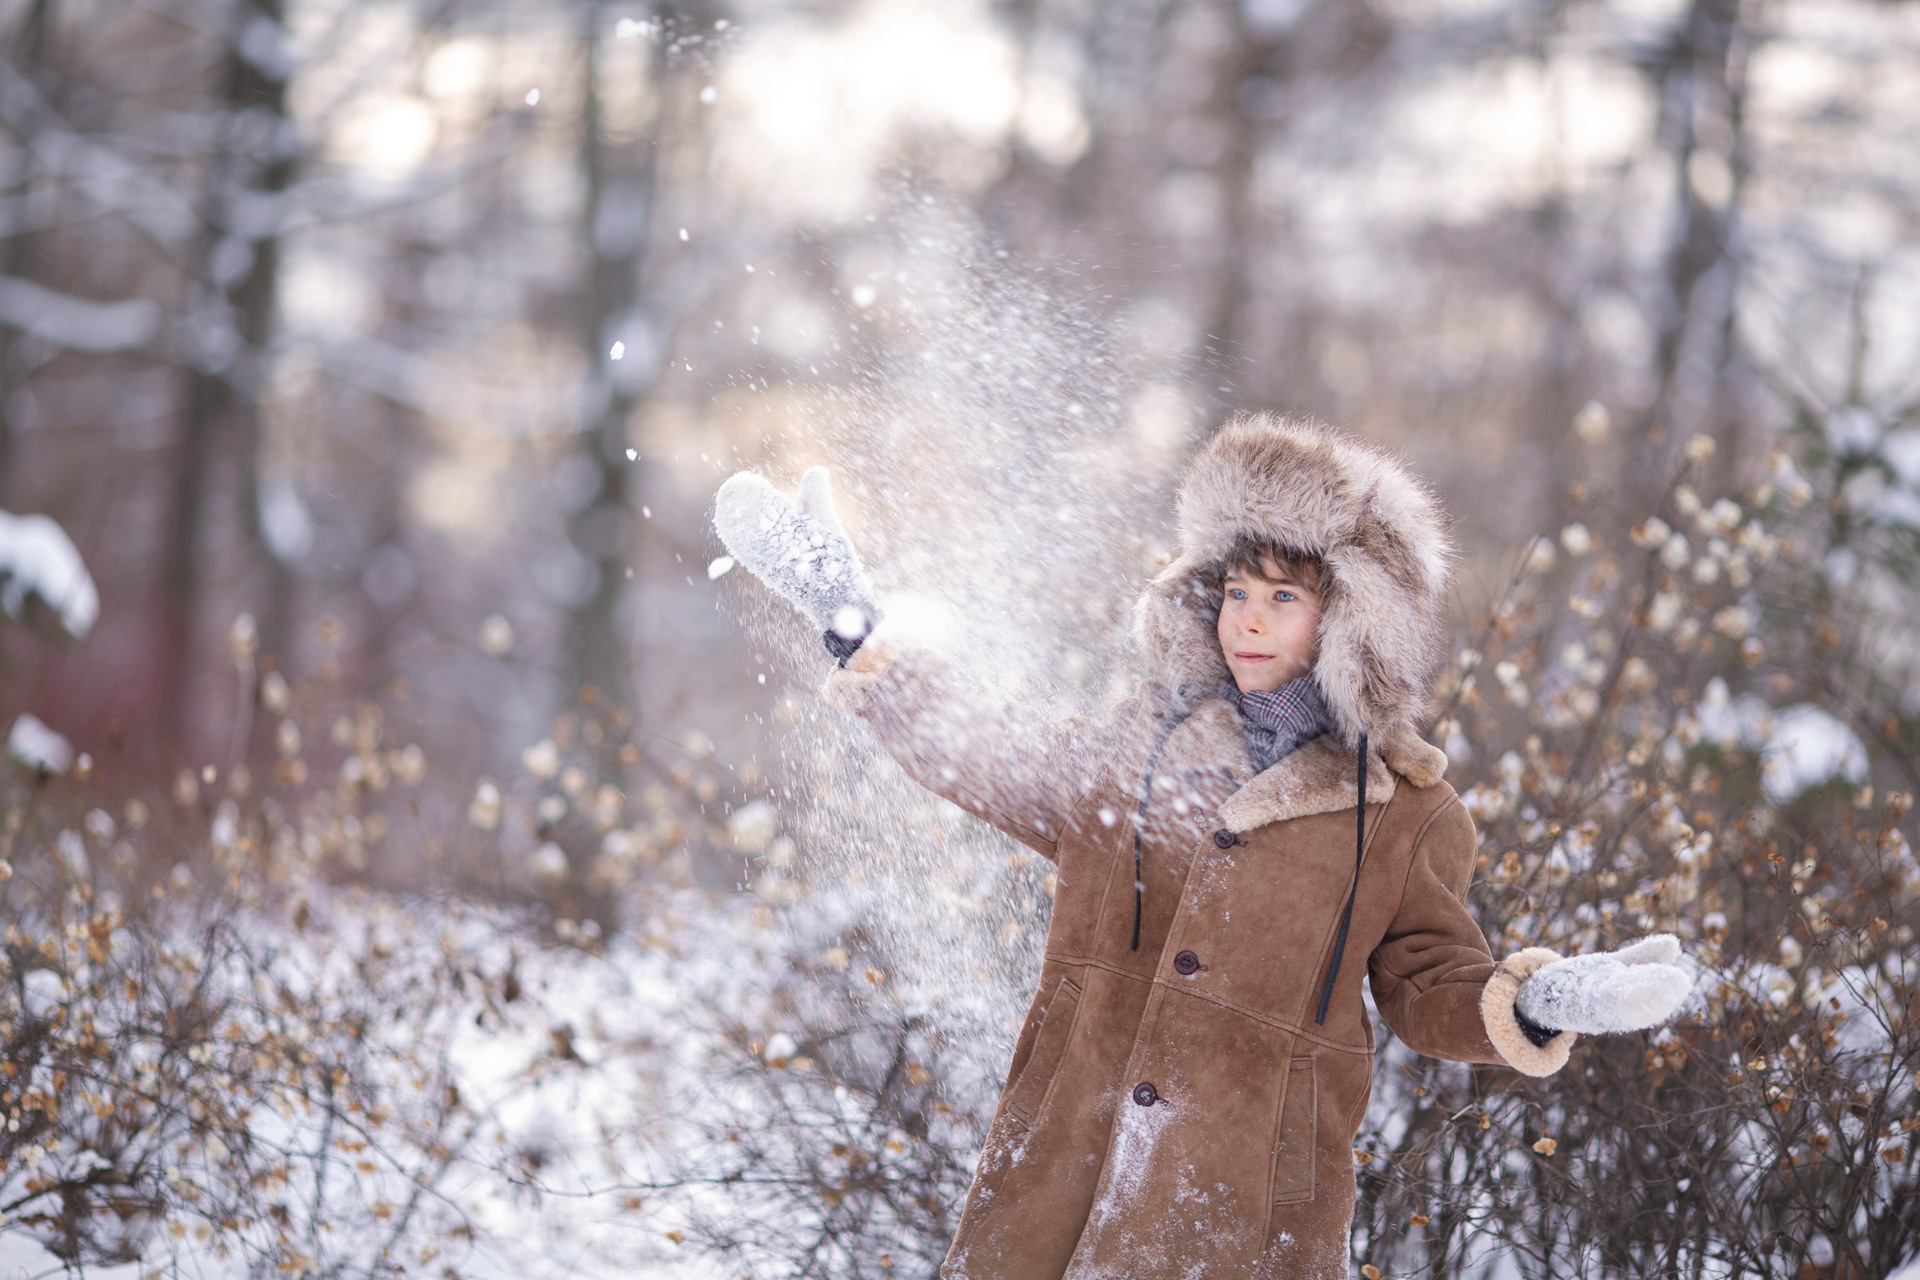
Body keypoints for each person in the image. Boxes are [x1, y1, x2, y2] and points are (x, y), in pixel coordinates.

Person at [714, 414, 1691, 1279]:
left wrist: (1536, 999)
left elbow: (1430, 987)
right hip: (1057, 1174)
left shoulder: (1405, 814)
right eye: (1236, 590)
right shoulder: (1134, 754)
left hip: (1238, 1216)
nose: (1248, 620)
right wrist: (846, 614)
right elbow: (984, 746)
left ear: (1346, 621)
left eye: (1283, 598)